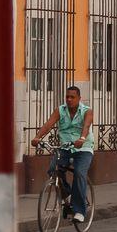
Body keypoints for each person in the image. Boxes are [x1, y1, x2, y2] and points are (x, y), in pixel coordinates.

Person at [31, 86, 95, 223]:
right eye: (67, 97)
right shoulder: (60, 110)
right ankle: (68, 196)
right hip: (65, 147)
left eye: (72, 97)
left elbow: (86, 126)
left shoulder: (86, 111)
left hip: (83, 148)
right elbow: (49, 124)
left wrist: (82, 138)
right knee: (53, 169)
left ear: (79, 98)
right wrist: (37, 137)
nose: (69, 99)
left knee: (79, 173)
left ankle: (79, 211)